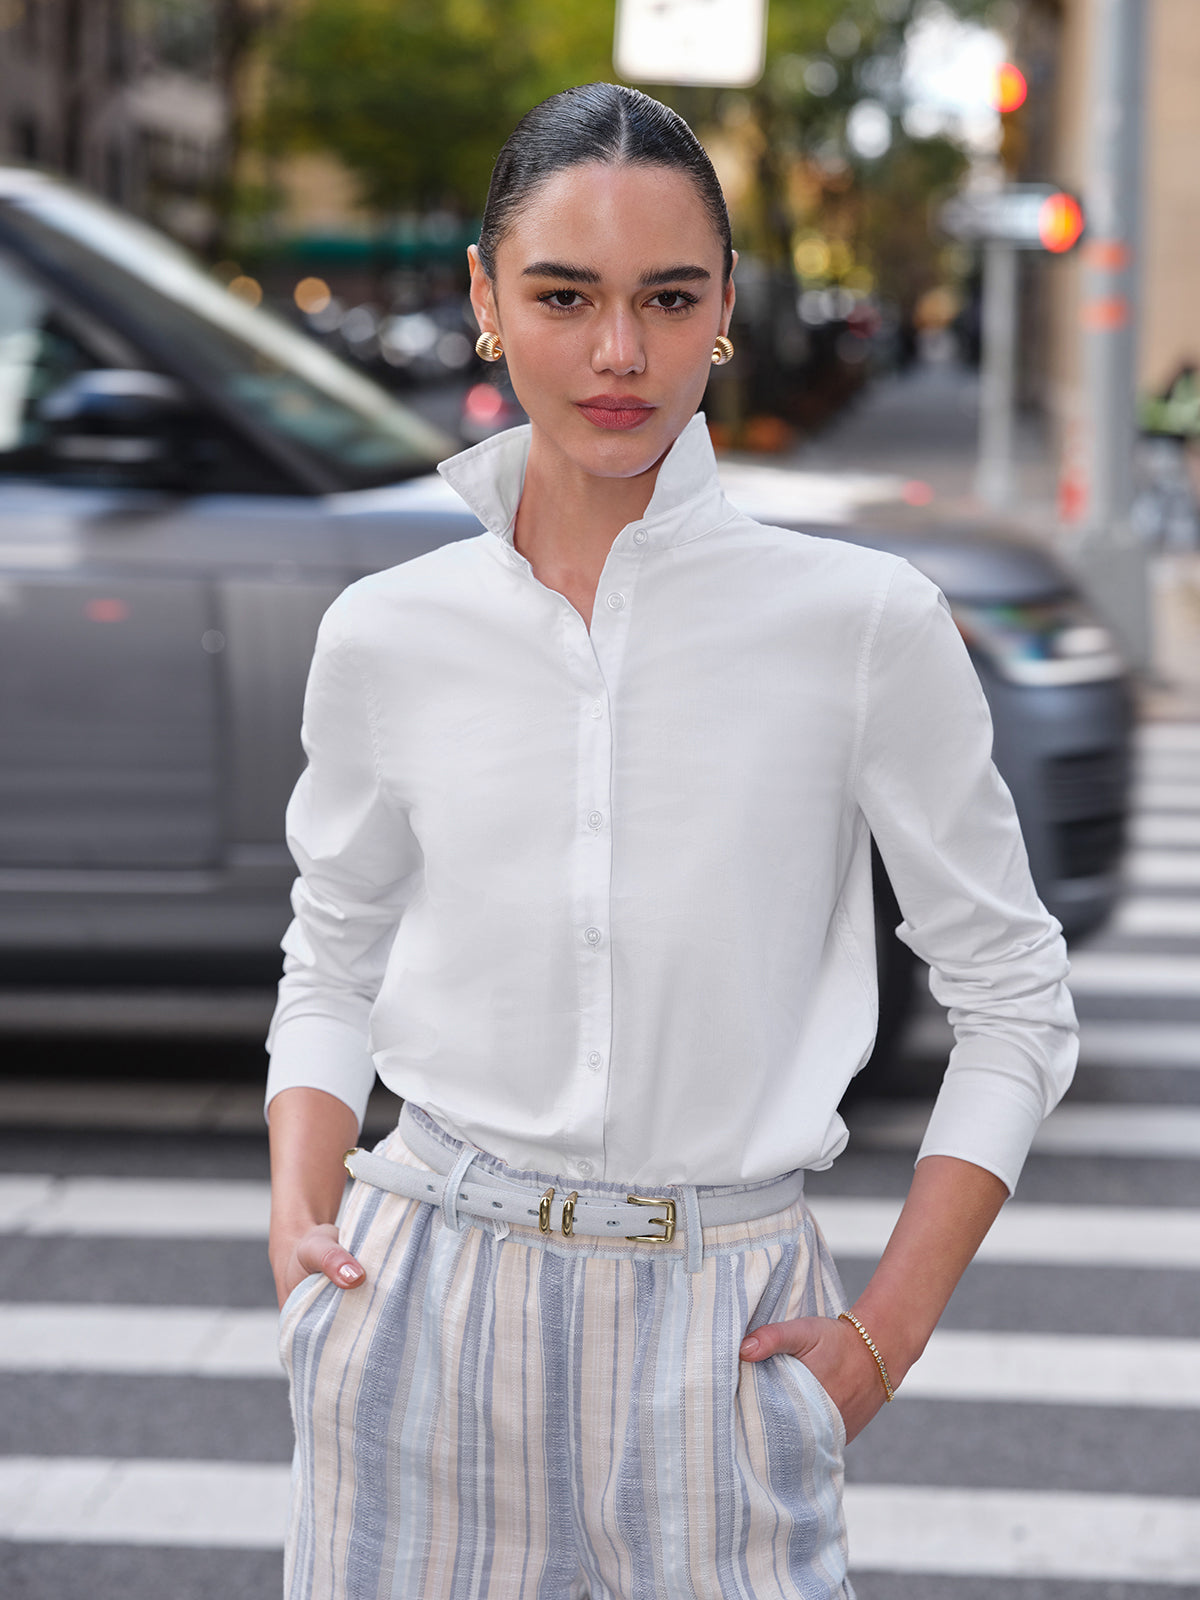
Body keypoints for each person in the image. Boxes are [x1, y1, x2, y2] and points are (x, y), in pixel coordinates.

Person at [265, 82, 1077, 1600]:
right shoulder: (387, 633)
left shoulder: (862, 626)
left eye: (669, 298)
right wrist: (299, 1217)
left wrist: (884, 1336)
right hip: (420, 1309)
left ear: (724, 311)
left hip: (726, 1333)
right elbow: (335, 946)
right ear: (487, 300)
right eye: (565, 296)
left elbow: (1015, 1000)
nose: (620, 354)